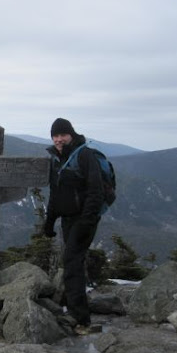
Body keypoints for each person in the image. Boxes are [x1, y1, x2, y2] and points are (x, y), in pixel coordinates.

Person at [43, 118, 104, 335]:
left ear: (71, 134)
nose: (59, 139)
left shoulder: (84, 155)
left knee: (71, 261)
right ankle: (75, 309)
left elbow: (96, 191)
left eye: (62, 134)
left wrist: (87, 221)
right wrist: (49, 222)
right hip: (68, 219)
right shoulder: (57, 159)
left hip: (83, 220)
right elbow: (55, 194)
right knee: (73, 262)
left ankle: (81, 319)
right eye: (55, 135)